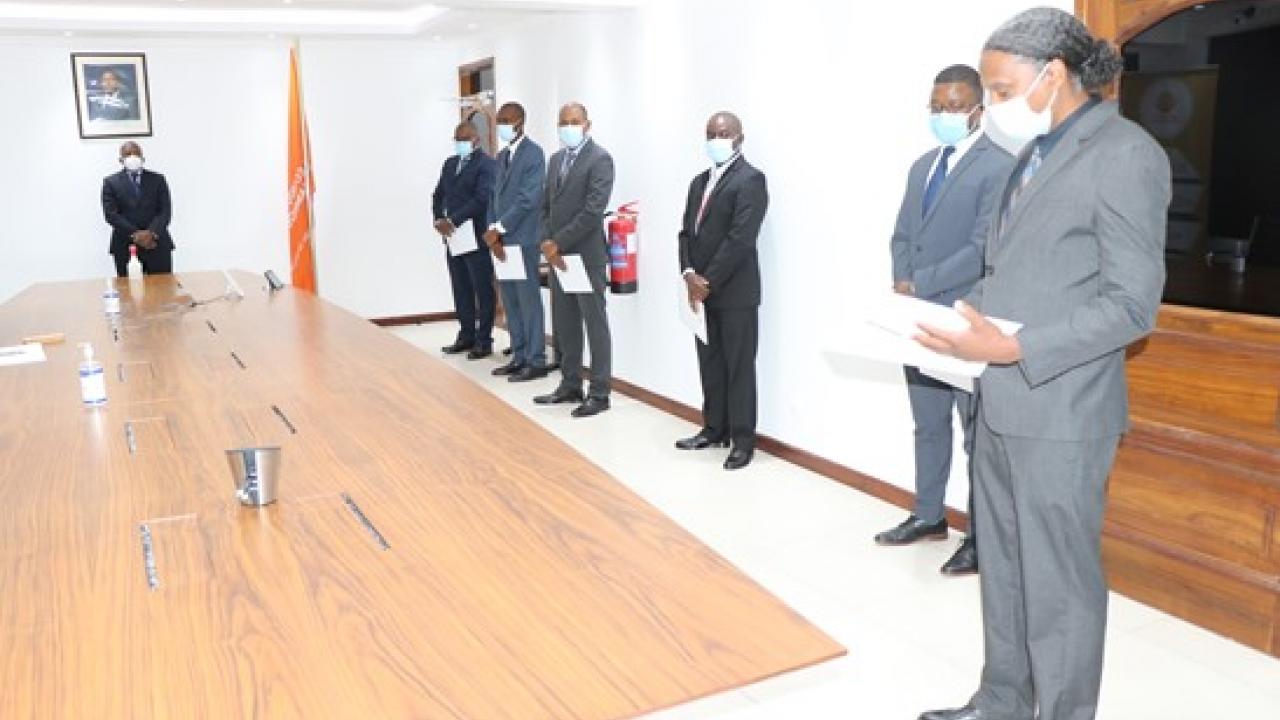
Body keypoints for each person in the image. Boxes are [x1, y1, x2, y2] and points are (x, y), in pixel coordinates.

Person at [914, 8, 1169, 720]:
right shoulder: (1032, 154)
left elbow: (1132, 306)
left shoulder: (1125, 154)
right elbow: (1016, 273)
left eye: (1001, 89)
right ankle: (1002, 699)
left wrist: (1016, 347)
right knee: (1003, 565)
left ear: (1053, 74)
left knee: (1059, 583)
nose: (993, 104)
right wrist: (957, 318)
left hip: (1064, 411)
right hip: (1000, 403)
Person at [875, 64, 1016, 577]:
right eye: (936, 107)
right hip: (918, 318)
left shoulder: (999, 166)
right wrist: (902, 278)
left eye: (953, 107)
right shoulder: (922, 166)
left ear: (978, 108)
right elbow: (902, 234)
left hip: (964, 319)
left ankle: (980, 538)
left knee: (975, 434)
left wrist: (925, 280)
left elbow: (983, 248)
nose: (943, 115)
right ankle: (929, 515)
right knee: (928, 423)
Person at [674, 112, 769, 471]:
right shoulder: (698, 182)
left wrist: (707, 282)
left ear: (739, 138)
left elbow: (740, 239)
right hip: (699, 291)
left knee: (739, 368)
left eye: (724, 133)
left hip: (735, 293)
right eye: (711, 134)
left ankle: (743, 441)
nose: (717, 139)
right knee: (710, 364)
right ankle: (714, 429)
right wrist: (688, 274)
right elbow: (686, 233)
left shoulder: (751, 180)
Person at [534, 102, 616, 418]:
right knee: (565, 323)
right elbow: (545, 206)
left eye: (574, 121)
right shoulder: (555, 160)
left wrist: (558, 243)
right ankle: (570, 385)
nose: (568, 127)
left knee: (595, 324)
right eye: (563, 122)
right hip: (558, 257)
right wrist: (546, 241)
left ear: (587, 125)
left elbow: (593, 211)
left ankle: (599, 392)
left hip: (586, 256)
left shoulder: (600, 159)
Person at [483, 102, 549, 383]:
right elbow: (493, 197)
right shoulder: (501, 156)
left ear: (520, 122)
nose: (502, 125)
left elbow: (528, 199)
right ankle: (519, 356)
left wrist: (500, 228)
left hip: (523, 238)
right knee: (510, 301)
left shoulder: (534, 154)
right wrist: (492, 231)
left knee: (528, 301)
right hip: (501, 241)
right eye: (499, 120)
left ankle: (536, 359)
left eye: (506, 120)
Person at [433, 122, 498, 359]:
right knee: (460, 287)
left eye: (465, 139)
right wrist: (439, 219)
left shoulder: (486, 165)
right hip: (453, 238)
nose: (460, 143)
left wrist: (453, 220)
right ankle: (466, 335)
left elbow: (481, 199)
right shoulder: (450, 164)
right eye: (457, 139)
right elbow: (438, 194)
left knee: (482, 288)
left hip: (475, 236)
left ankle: (484, 340)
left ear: (476, 140)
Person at [101, 141, 174, 276]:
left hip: (157, 244)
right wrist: (136, 234)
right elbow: (111, 215)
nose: (132, 157)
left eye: (136, 153)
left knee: (163, 287)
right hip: (125, 245)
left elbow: (165, 211)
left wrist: (151, 233)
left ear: (143, 158)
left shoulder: (158, 179)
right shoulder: (110, 182)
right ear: (121, 159)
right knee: (129, 288)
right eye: (128, 154)